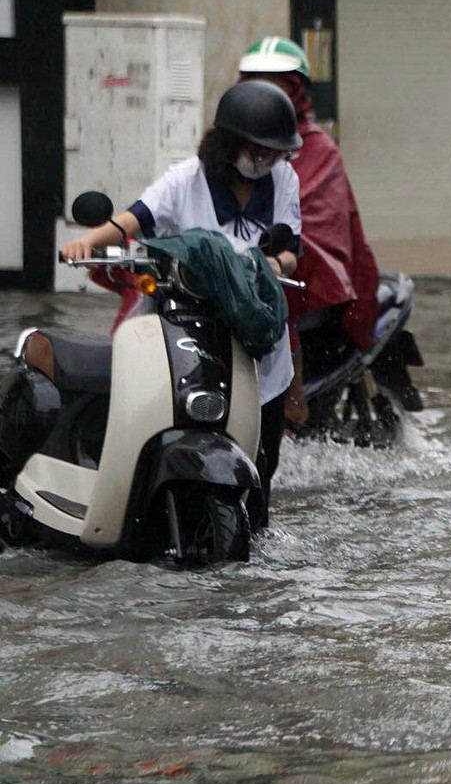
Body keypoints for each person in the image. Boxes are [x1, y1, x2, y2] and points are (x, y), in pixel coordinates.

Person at [60, 80, 303, 530]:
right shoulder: (185, 180)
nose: (266, 160)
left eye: (275, 153)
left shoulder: (285, 180)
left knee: (261, 469)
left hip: (255, 340)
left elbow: (292, 248)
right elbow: (134, 218)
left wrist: (269, 261)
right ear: (230, 143)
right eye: (258, 150)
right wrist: (86, 242)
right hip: (187, 330)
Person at [238, 35, 382, 424]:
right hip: (238, 253)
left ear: (295, 91)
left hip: (294, 269)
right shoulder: (226, 142)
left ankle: (291, 392)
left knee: (274, 281)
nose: (264, 92)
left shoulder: (316, 149)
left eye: (276, 83)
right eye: (256, 81)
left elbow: (316, 221)